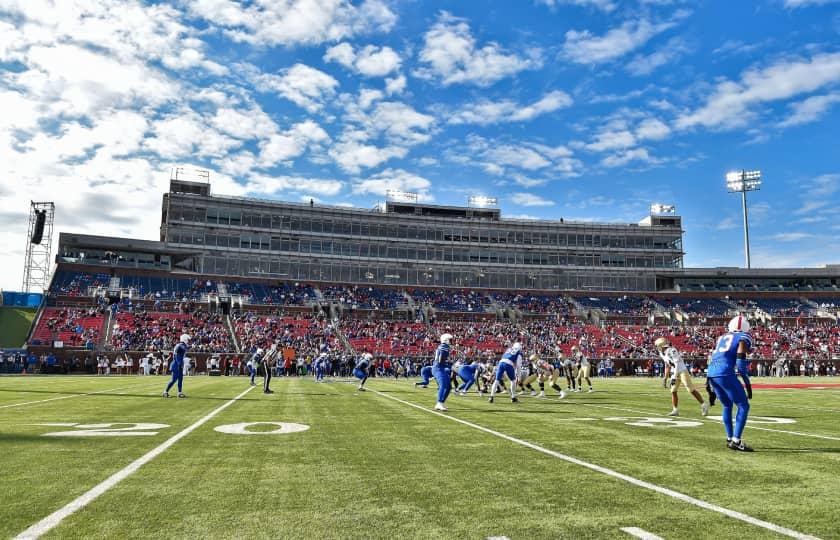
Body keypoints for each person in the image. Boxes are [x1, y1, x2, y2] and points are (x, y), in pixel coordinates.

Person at [707, 315, 754, 452]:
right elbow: (740, 364)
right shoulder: (743, 337)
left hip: (711, 373)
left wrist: (708, 381)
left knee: (727, 405)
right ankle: (736, 441)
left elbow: (714, 357)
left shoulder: (722, 337)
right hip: (725, 372)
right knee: (743, 405)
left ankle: (729, 438)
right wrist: (747, 383)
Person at [655, 337, 708, 417]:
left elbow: (676, 364)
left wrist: (673, 377)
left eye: (657, 346)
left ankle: (704, 405)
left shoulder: (672, 350)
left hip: (682, 371)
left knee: (690, 389)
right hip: (674, 372)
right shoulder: (662, 353)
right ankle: (675, 410)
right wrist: (665, 378)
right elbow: (667, 365)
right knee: (673, 390)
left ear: (661, 346)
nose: (657, 348)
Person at [163, 334, 190, 398]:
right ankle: (165, 392)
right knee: (174, 379)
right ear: (185, 339)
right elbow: (177, 355)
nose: (188, 341)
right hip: (176, 365)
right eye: (188, 340)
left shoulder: (180, 345)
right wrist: (179, 364)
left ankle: (179, 392)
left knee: (180, 379)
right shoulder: (181, 345)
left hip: (179, 364)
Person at [432, 334, 453, 411]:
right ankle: (439, 403)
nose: (451, 341)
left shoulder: (442, 346)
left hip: (440, 368)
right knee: (443, 385)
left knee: (449, 387)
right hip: (438, 368)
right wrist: (448, 364)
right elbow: (440, 359)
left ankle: (440, 403)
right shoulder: (444, 347)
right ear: (445, 340)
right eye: (450, 340)